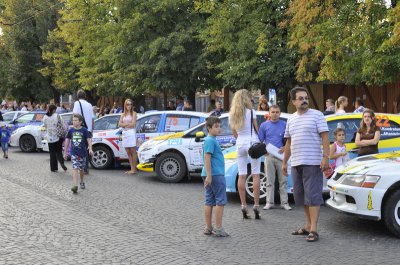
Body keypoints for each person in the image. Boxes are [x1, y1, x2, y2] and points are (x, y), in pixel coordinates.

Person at [282, 86, 330, 242]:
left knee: (313, 196)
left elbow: (325, 137)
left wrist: (326, 157)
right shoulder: (291, 119)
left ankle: (314, 230)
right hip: (296, 163)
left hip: (313, 162)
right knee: (301, 197)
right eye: (301, 98)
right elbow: (289, 142)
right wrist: (285, 162)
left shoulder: (317, 115)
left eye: (306, 98)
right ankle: (308, 225)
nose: (304, 101)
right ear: (293, 101)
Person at [229, 89, 262, 219]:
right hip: (252, 142)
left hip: (240, 143)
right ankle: (256, 205)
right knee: (255, 174)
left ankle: (243, 205)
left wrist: (239, 140)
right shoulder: (251, 112)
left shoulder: (233, 114)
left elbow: (234, 131)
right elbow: (256, 129)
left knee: (242, 175)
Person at [258, 105, 291, 211]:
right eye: (273, 112)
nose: (275, 114)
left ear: (280, 113)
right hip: (269, 156)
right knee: (269, 181)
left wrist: (284, 147)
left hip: (282, 156)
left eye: (277, 112)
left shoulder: (285, 125)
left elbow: (289, 140)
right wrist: (264, 152)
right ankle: (269, 203)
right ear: (269, 113)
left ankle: (284, 203)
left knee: (283, 181)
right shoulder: (264, 125)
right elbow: (260, 141)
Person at [201, 116, 229, 237]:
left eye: (219, 126)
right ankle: (218, 228)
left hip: (210, 174)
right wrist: (209, 175)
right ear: (209, 128)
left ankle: (208, 227)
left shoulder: (211, 139)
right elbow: (207, 157)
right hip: (215, 174)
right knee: (220, 201)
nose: (219, 129)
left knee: (209, 201)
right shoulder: (211, 140)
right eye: (216, 127)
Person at [64, 114, 93, 194]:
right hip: (74, 153)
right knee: (75, 168)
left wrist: (90, 148)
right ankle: (75, 186)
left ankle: (82, 181)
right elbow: (67, 141)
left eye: (76, 120)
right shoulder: (71, 130)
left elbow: (89, 140)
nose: (74, 122)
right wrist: (65, 152)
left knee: (81, 170)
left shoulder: (84, 130)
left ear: (80, 122)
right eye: (73, 120)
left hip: (83, 153)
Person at [73, 89, 94, 174]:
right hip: (88, 129)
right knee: (86, 148)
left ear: (77, 96)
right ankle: (86, 167)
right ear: (85, 96)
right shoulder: (89, 105)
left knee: (79, 148)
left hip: (80, 129)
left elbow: (75, 116)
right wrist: (92, 130)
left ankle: (81, 167)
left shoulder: (77, 103)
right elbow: (93, 119)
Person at [43, 104, 67, 172]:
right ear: (54, 110)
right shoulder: (57, 116)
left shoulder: (45, 117)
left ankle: (53, 168)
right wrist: (65, 131)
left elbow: (45, 126)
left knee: (52, 153)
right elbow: (63, 125)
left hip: (50, 137)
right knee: (59, 151)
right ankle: (62, 163)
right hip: (58, 136)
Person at [118, 99, 138, 174]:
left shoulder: (134, 113)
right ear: (125, 105)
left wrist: (124, 124)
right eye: (127, 104)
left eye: (130, 104)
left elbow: (133, 124)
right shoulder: (123, 114)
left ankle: (134, 169)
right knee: (128, 152)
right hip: (125, 133)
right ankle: (132, 169)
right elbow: (119, 124)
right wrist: (127, 124)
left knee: (133, 151)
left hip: (131, 133)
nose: (129, 106)